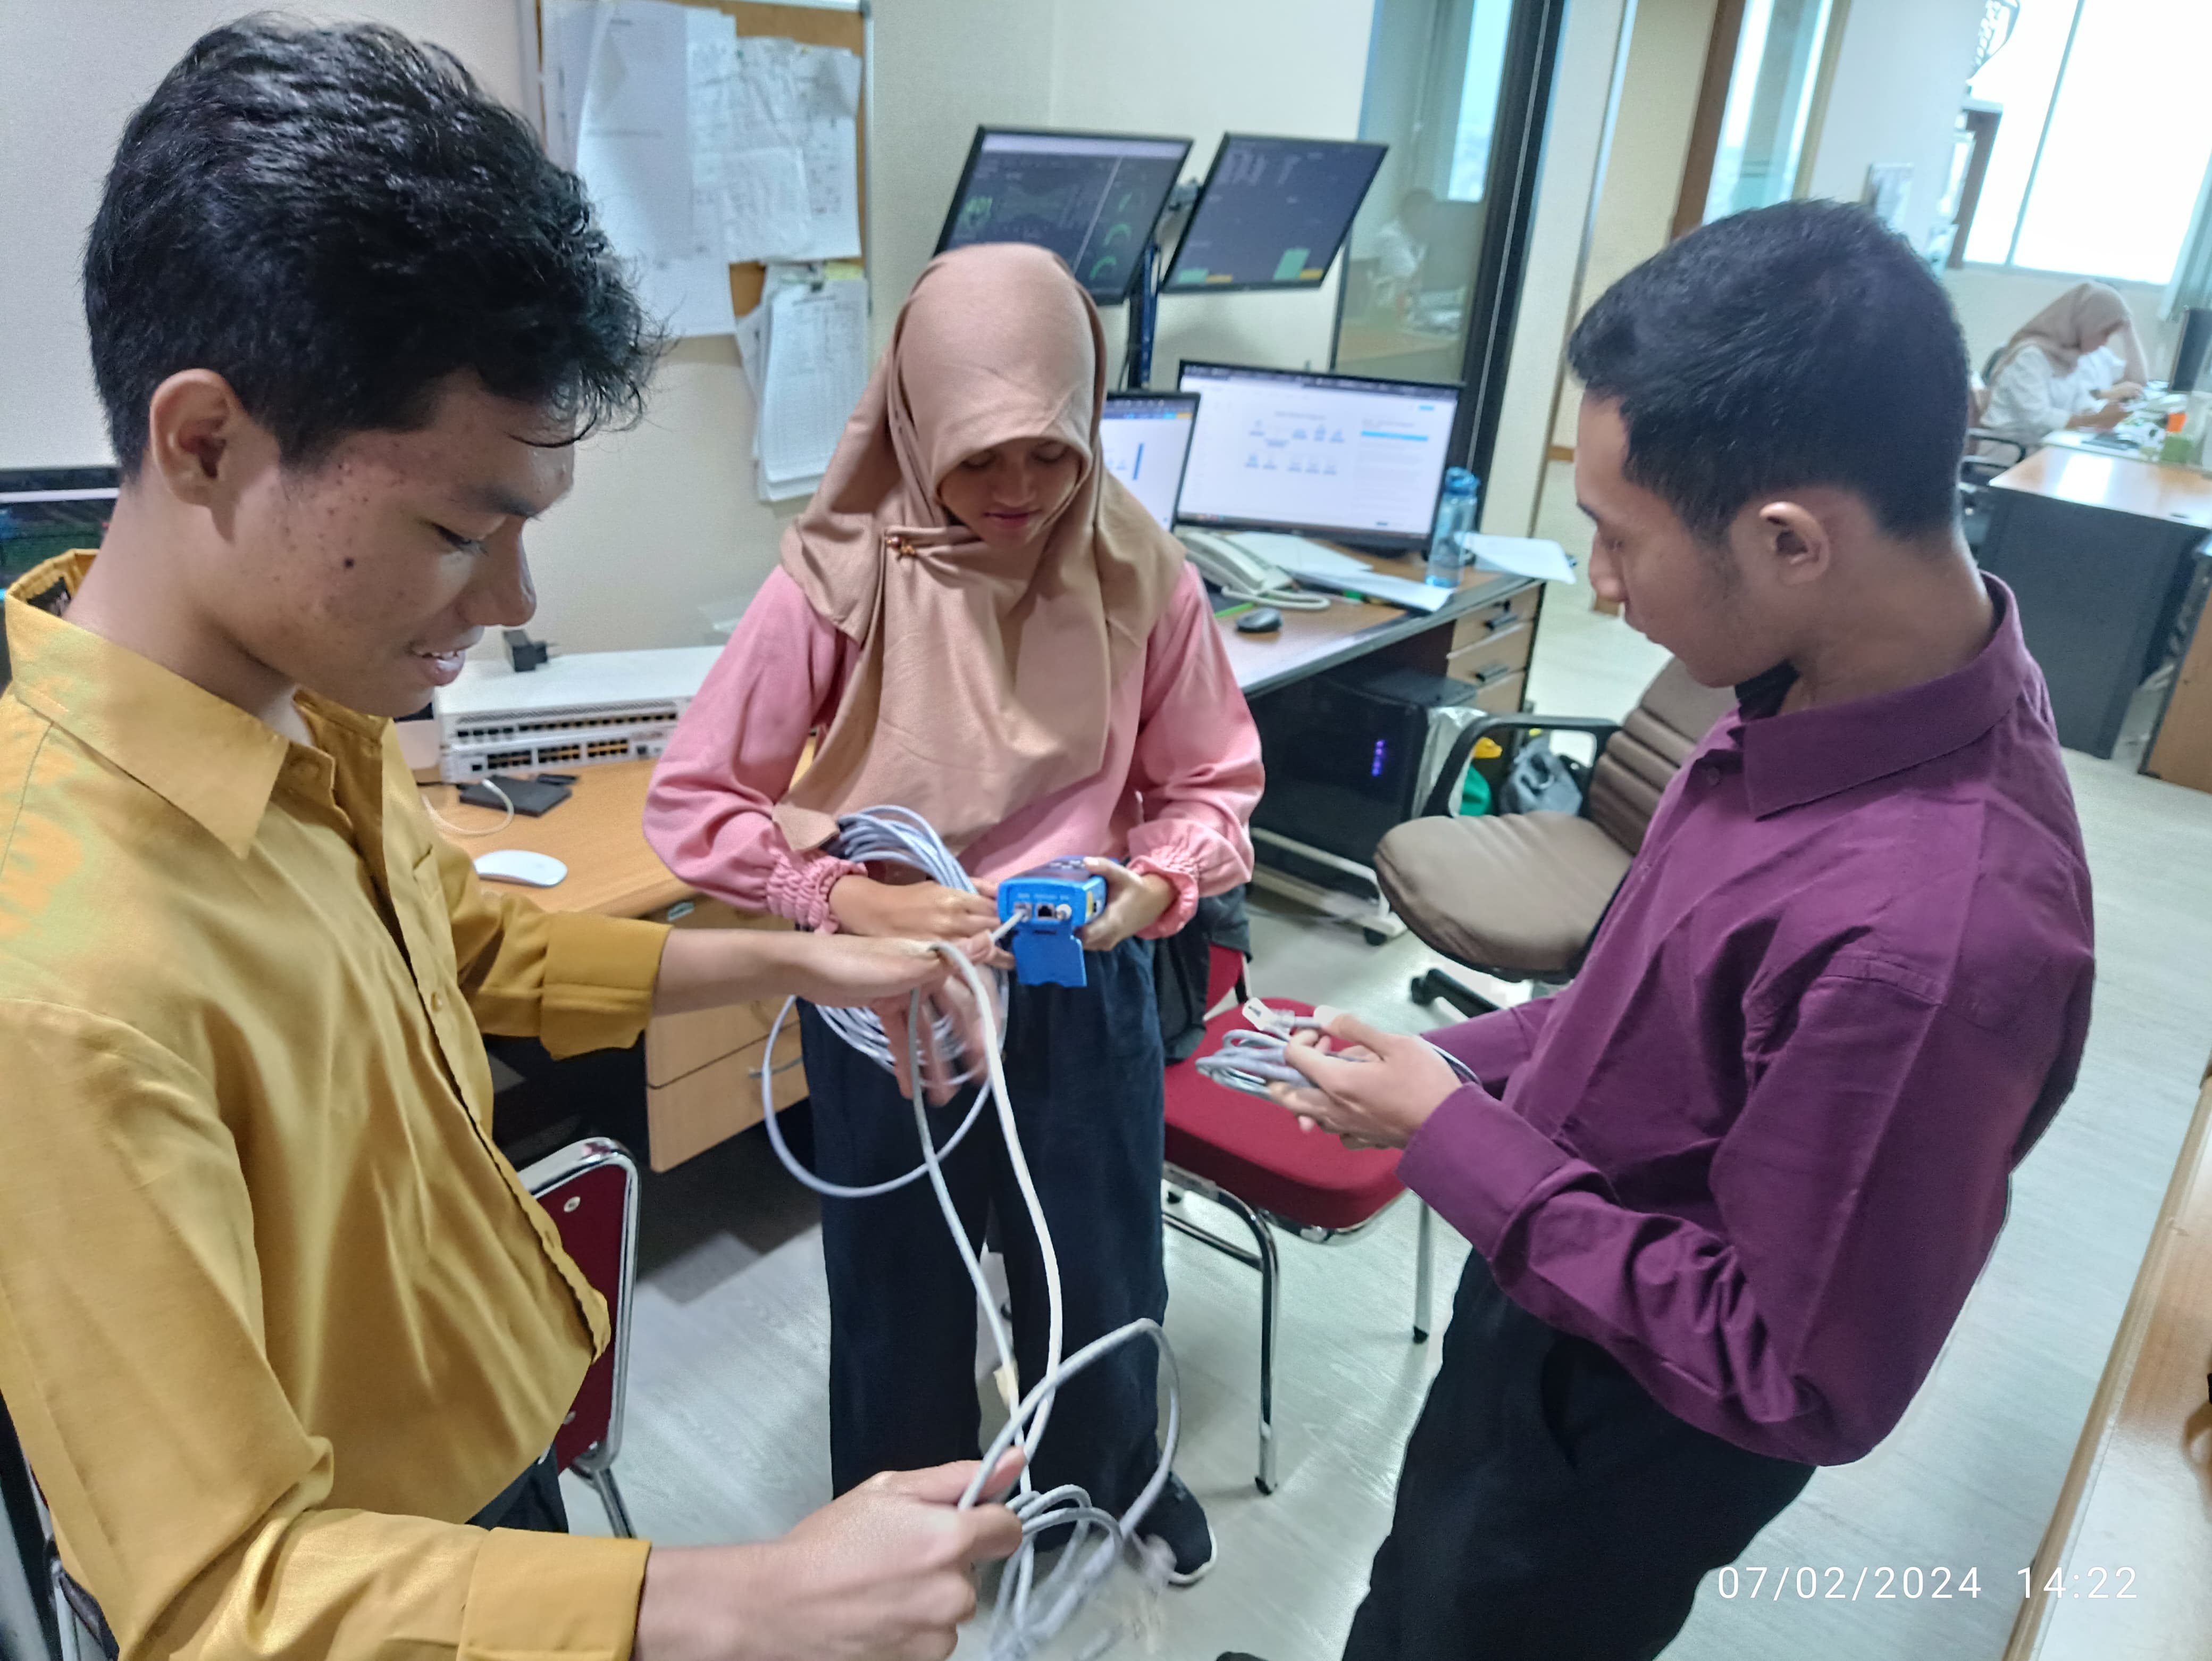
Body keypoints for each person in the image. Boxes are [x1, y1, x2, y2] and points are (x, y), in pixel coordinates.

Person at [0, 22, 1026, 1661]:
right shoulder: (55, 984)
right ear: (206, 443)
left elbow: (467, 948)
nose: (512, 607)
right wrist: (735, 1599)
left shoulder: (305, 701)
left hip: (495, 1494)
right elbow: (220, 1596)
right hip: (363, 1580)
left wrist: (808, 951)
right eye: (460, 532)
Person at [1239, 200, 2097, 1661]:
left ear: (1789, 541)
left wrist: (1454, 1135)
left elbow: (1793, 1372)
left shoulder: (1935, 946)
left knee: (1487, 1615)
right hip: (1551, 1273)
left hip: (1633, 1410)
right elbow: (1653, 999)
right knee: (1422, 1580)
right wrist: (1458, 1070)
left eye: (1615, 537)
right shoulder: (1801, 684)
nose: (1604, 583)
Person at [644, 243, 1264, 1584]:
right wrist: (836, 894)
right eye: (981, 457)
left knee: (1098, 1265)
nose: (1020, 494)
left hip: (1075, 977)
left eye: (1050, 453)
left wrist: (1154, 880)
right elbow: (697, 802)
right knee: (897, 1291)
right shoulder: (841, 573)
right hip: (890, 1002)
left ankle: (1109, 1477)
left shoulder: (1135, 564)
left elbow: (1214, 785)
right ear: (916, 419)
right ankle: (902, 1523)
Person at [1976, 279, 2150, 449]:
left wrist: (2103, 415)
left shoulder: (2070, 356)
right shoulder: (2031, 356)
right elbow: (2037, 418)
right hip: (2010, 450)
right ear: (2086, 323)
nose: (2104, 343)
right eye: (2104, 333)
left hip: (2044, 446)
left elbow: (2080, 403)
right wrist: (2094, 419)